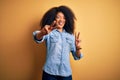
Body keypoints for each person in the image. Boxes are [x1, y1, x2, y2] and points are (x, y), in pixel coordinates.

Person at [33, 5, 83, 80]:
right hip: (49, 73)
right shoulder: (49, 32)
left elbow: (77, 56)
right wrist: (42, 33)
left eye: (64, 18)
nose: (61, 20)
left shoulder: (70, 36)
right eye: (58, 17)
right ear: (53, 19)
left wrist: (78, 48)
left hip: (66, 74)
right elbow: (37, 38)